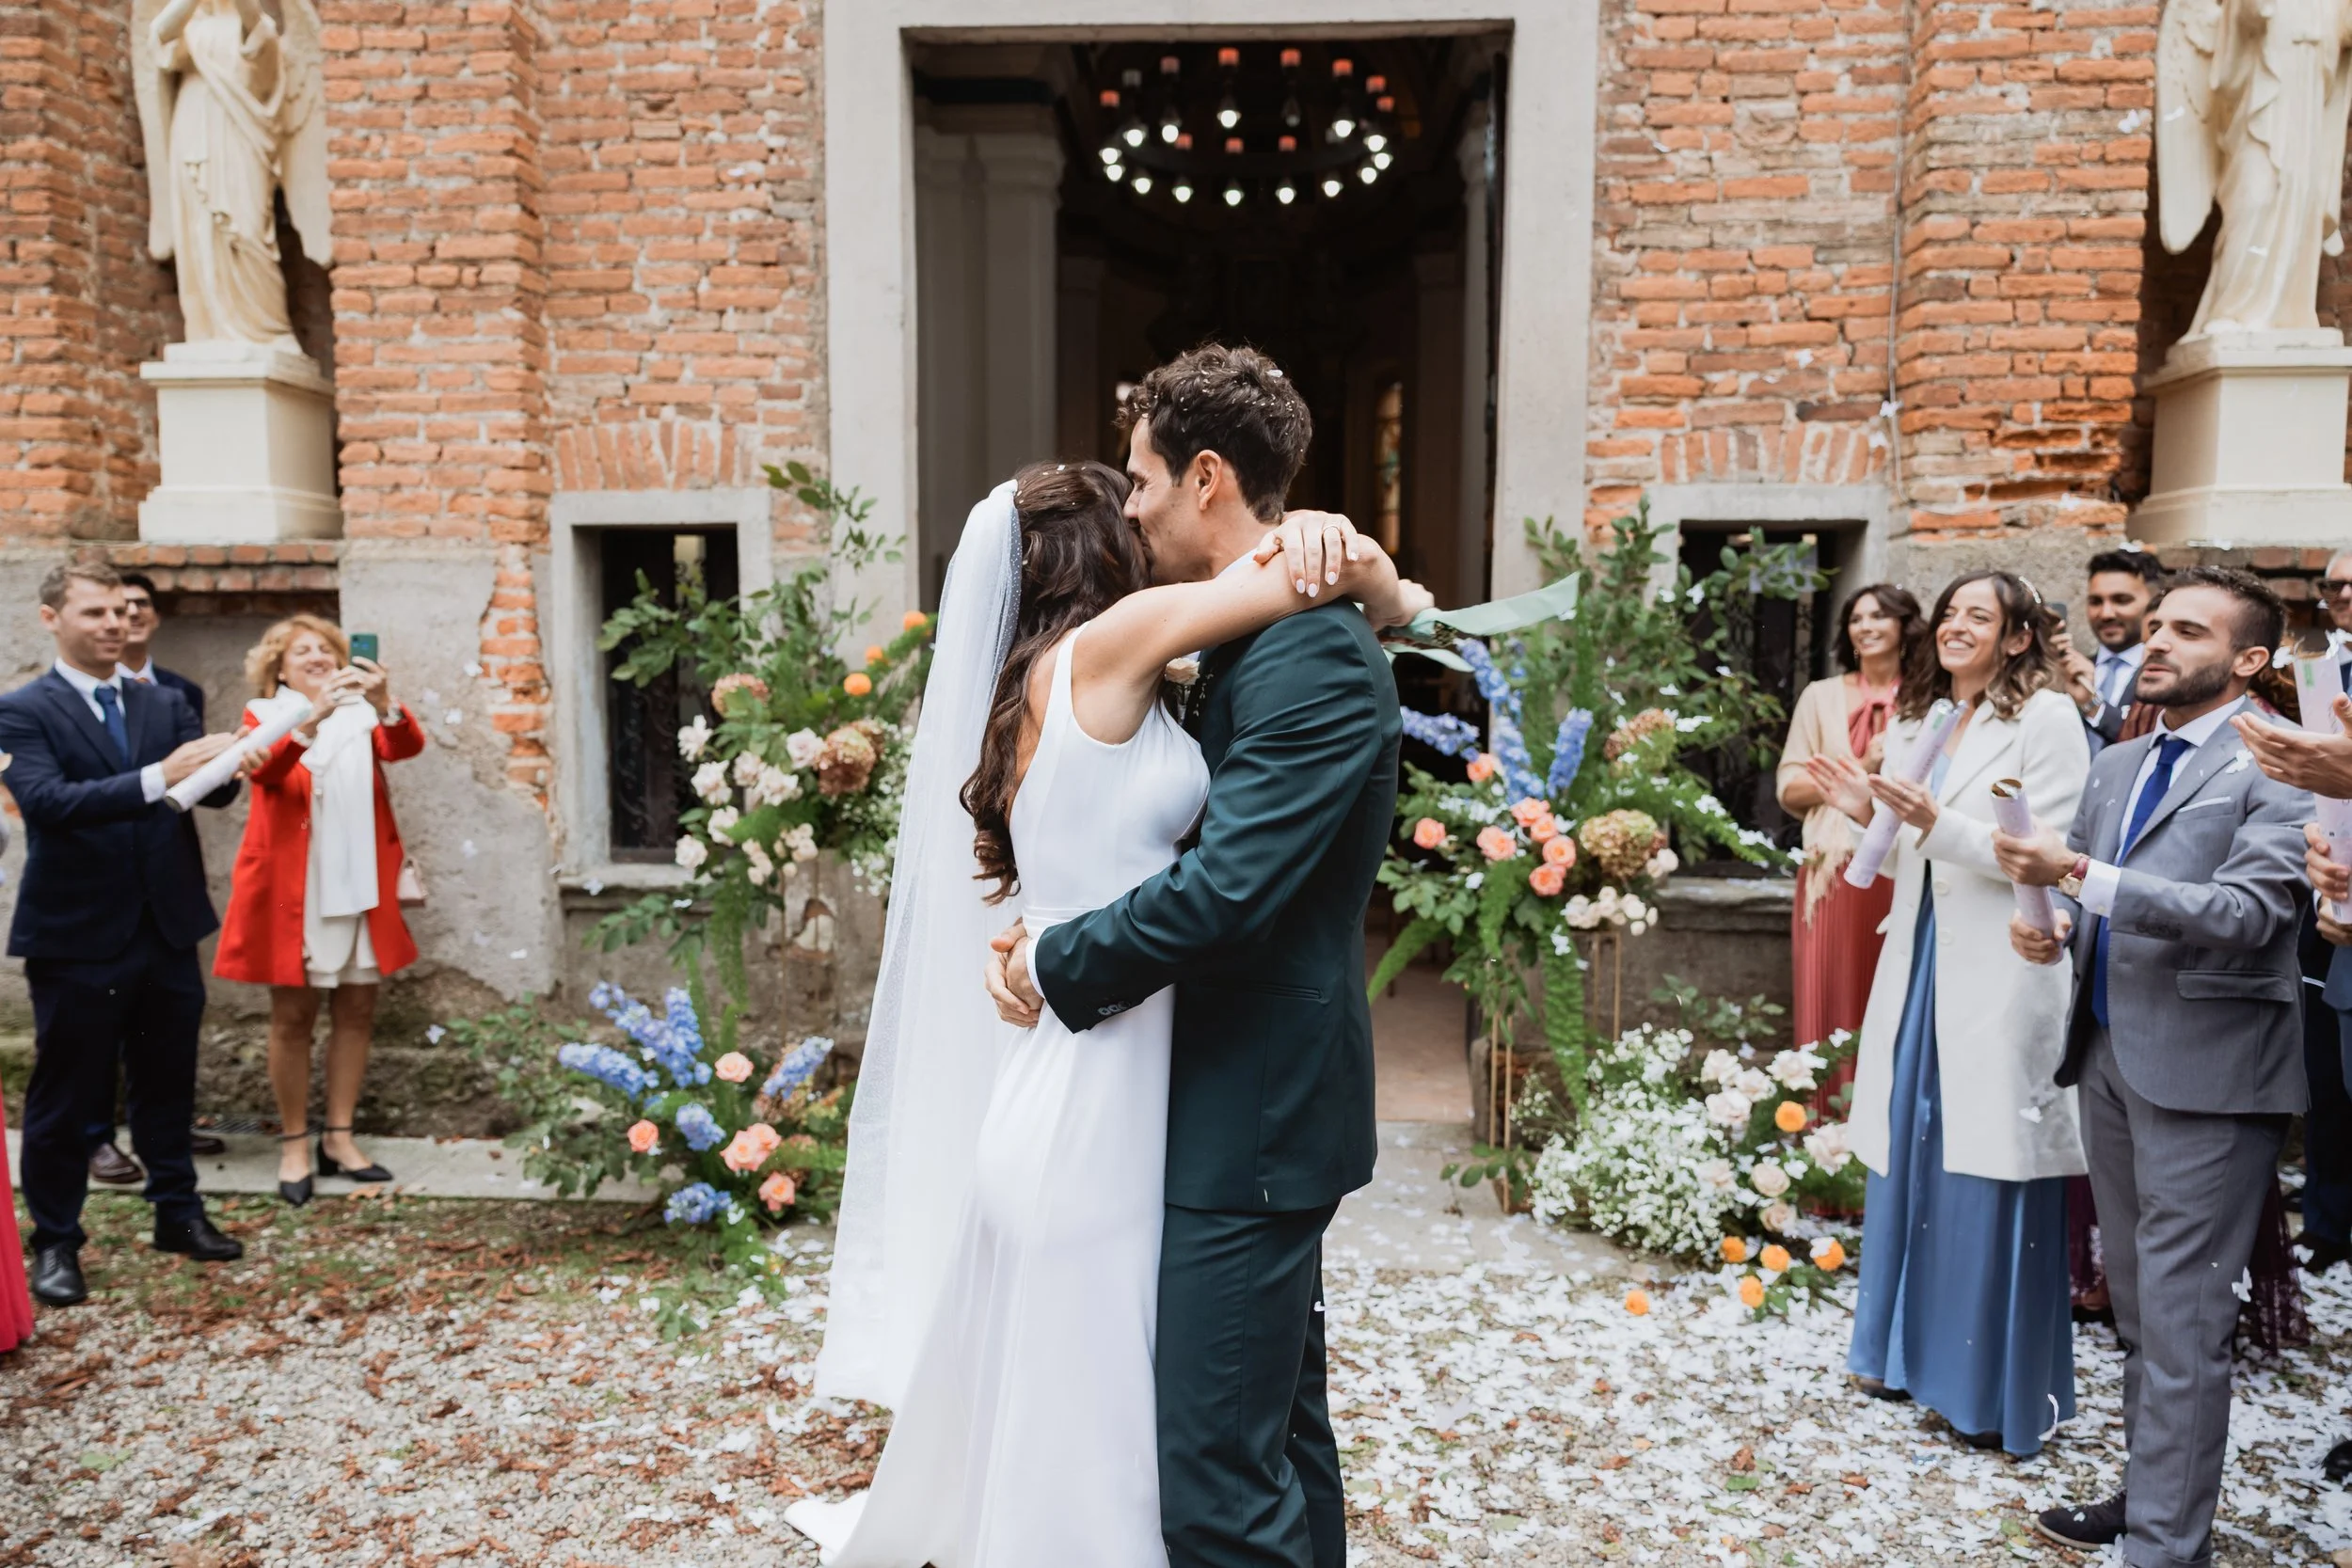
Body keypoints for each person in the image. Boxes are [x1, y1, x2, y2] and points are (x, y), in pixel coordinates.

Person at [789, 349, 1422, 1568]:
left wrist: (1052, 957)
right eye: (1117, 496)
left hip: (1249, 1109)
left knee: (1225, 1470)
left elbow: (1229, 889)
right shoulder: (1190, 647)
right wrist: (1381, 579)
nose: (1132, 508)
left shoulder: (1302, 654)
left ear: (1204, 477)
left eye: (1142, 480)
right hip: (1165, 1097)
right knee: (1245, 1437)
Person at [1995, 567, 2309, 1560]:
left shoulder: (2285, 767)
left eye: (2187, 628)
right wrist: (2045, 927)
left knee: (2181, 1322)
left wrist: (2079, 875)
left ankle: (2166, 1546)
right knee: (2138, 1312)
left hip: (2211, 1075)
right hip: (2108, 1056)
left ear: (2249, 659)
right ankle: (2148, 1495)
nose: (2158, 641)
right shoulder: (2119, 766)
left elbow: (2249, 916)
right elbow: (2081, 898)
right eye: (2157, 624)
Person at [1803, 570, 2090, 1454]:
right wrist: (1867, 814)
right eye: (1950, 614)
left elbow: (2047, 854)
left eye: (1981, 616)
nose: (1957, 626)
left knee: (1981, 1170)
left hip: (2000, 968)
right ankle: (1895, 1355)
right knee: (1913, 1151)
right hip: (1921, 960)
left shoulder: (2046, 720)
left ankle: (1980, 1389)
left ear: (2014, 638)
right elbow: (1910, 863)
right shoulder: (1926, 721)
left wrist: (1932, 821)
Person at [0, 562, 247, 1307]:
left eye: (122, 611)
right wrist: (159, 772)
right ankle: (57, 1240)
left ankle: (177, 1211)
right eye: (96, 612)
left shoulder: (164, 699)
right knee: (66, 1094)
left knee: (168, 1081)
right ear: (52, 619)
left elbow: (211, 792)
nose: (114, 623)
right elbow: (47, 802)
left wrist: (241, 755)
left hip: (166, 923)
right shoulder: (22, 710)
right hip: (76, 930)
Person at [213, 615, 422, 1205]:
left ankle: (340, 1137)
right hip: (293, 892)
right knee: (292, 1017)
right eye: (300, 651)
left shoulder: (364, 715)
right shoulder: (263, 716)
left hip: (357, 887)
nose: (316, 657)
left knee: (357, 1009)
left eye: (325, 649)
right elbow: (270, 772)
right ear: (279, 667)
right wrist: (310, 720)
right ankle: (295, 1144)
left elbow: (404, 747)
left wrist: (384, 702)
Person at [82, 571, 228, 1187]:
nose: (127, 617)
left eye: (139, 605)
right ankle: (95, 1136)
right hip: (94, 884)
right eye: (115, 607)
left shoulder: (178, 693)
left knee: (166, 1023)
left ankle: (161, 1130)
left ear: (154, 617)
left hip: (166, 880)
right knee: (94, 1024)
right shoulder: (57, 699)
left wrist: (235, 759)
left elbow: (211, 791)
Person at [1773, 584, 1919, 1099]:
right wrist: (1864, 767)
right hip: (1831, 869)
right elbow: (1789, 788)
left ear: (1905, 625)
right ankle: (1822, 1130)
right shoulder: (1820, 697)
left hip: (1902, 869)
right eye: (1857, 618)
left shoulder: (1928, 700)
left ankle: (1885, 1128)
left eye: (1880, 615)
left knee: (1891, 995)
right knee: (1830, 992)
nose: (1867, 626)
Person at [2054, 547, 2164, 748]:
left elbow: (2149, 744)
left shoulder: (2164, 673)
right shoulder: (2070, 671)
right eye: (2096, 601)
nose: (2106, 614)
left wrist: (2091, 705)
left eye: (2121, 600)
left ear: (2154, 602)